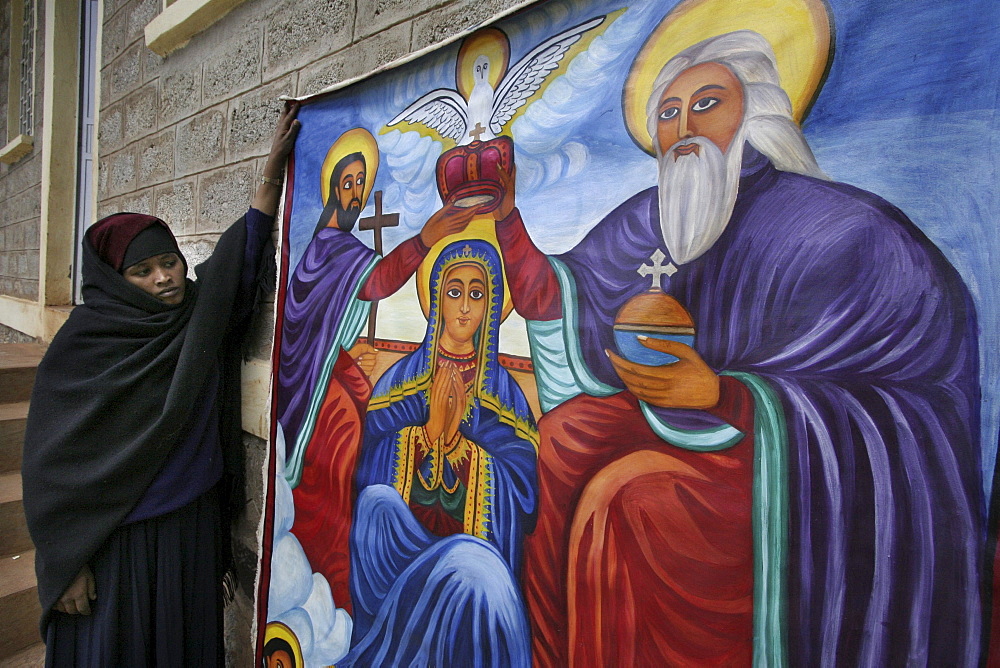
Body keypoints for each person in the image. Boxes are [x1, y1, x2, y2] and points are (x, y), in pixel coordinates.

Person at [496, 31, 983, 665]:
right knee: (562, 439)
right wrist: (508, 220)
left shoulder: (845, 231)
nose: (684, 126)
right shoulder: (653, 220)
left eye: (707, 103)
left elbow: (909, 388)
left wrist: (726, 395)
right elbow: (560, 298)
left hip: (783, 460)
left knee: (628, 502)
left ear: (756, 113)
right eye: (667, 113)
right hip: (681, 426)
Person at [21, 103, 301, 665]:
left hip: (189, 528)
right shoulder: (86, 346)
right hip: (117, 545)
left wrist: (270, 178)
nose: (163, 277)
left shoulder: (195, 319)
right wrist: (66, 562)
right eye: (142, 271)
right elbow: (52, 466)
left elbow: (234, 263)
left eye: (169, 262)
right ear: (114, 281)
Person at [276, 128, 478, 611]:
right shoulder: (327, 251)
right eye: (346, 182)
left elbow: (328, 326)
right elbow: (377, 283)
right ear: (330, 188)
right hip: (311, 392)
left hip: (322, 377)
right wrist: (427, 238)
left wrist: (347, 360)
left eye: (359, 184)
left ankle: (333, 577)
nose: (353, 194)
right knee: (342, 446)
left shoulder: (334, 251)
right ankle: (327, 571)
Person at [343, 239, 538, 666]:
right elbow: (368, 467)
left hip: (470, 549)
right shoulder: (401, 382)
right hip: (403, 545)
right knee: (376, 504)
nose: (465, 306)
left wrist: (461, 449)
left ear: (491, 305)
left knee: (470, 566)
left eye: (477, 293)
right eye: (454, 292)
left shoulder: (505, 398)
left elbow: (524, 494)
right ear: (435, 301)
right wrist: (425, 435)